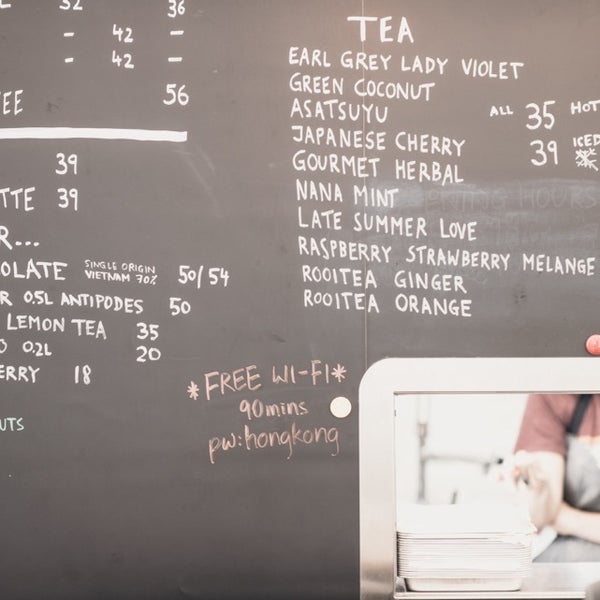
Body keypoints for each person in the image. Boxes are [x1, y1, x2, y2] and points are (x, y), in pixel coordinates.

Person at [513, 393, 600, 561]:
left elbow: (552, 514)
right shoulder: (553, 392)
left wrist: (567, 518)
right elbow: (538, 518)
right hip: (568, 562)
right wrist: (537, 488)